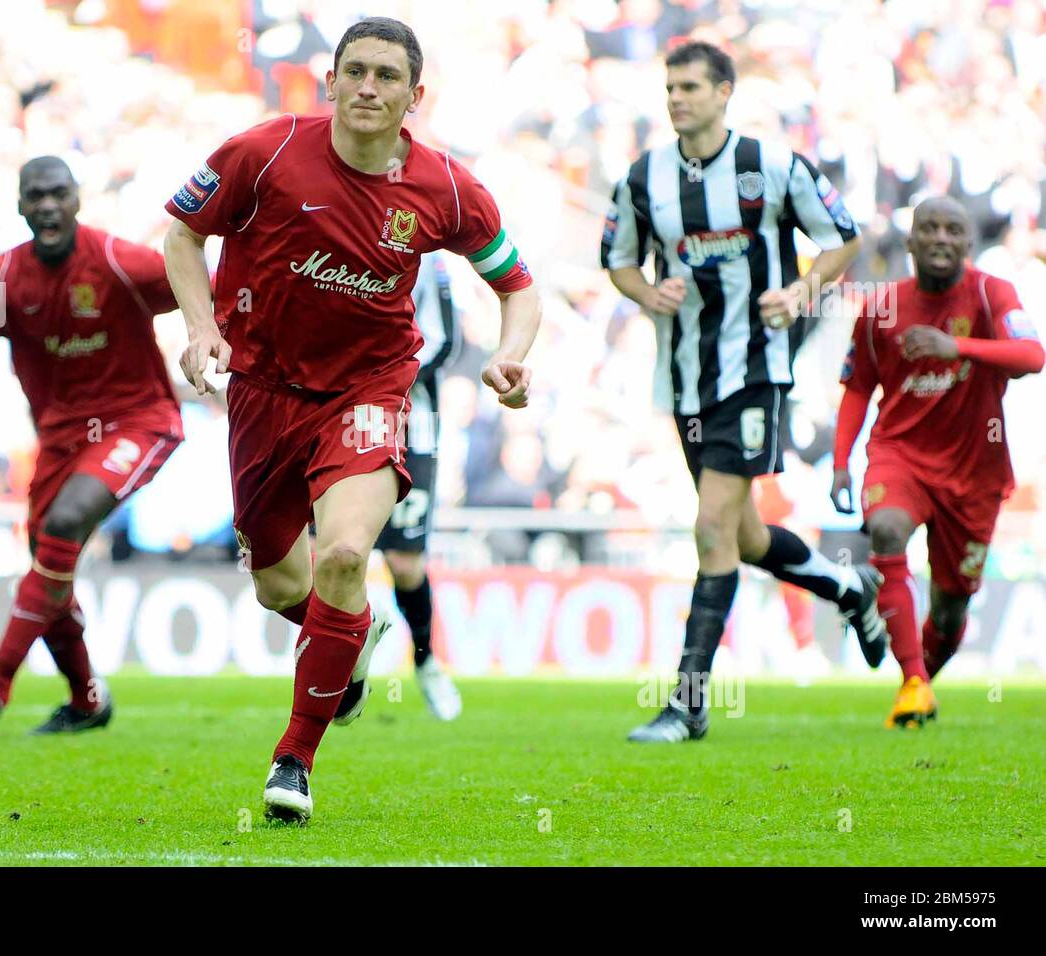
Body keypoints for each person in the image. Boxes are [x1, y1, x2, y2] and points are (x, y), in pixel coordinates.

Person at [163, 17, 539, 822]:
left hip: (369, 389)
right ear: (330, 81)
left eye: (387, 76)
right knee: (278, 586)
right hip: (263, 390)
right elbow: (183, 236)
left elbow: (519, 286)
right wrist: (201, 327)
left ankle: (293, 760)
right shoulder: (260, 152)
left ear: (414, 95)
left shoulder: (446, 187)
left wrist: (510, 356)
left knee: (341, 554)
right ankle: (351, 636)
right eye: (356, 72)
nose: (369, 88)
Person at [602, 40, 886, 743]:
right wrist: (649, 291)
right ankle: (850, 589)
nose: (677, 99)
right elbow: (618, 261)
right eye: (670, 88)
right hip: (684, 377)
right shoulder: (644, 178)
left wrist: (800, 290)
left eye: (691, 87)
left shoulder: (773, 166)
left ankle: (688, 702)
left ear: (725, 92)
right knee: (744, 532)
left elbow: (844, 236)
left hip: (758, 371)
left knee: (710, 527)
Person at [0, 157, 184, 737]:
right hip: (59, 444)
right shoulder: (4, 278)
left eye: (58, 193)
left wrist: (218, 332)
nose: (49, 205)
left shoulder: (117, 259)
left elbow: (192, 283)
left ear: (77, 199)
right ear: (20, 206)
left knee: (63, 527)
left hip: (138, 421)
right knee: (49, 570)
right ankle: (86, 702)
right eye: (36, 196)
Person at [832, 196, 1043, 727]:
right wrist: (840, 462)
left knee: (950, 610)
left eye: (953, 229)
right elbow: (858, 389)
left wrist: (960, 349)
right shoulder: (880, 306)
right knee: (885, 528)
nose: (941, 238)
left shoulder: (992, 293)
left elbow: (1032, 357)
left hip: (974, 472)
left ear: (968, 244)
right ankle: (912, 682)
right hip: (899, 455)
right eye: (929, 228)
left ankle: (920, 679)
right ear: (910, 242)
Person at [374, 252, 462, 720]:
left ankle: (426, 661)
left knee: (404, 562)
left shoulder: (426, 248)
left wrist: (386, 374)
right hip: (335, 415)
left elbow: (447, 339)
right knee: (325, 551)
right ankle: (341, 669)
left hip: (413, 423)